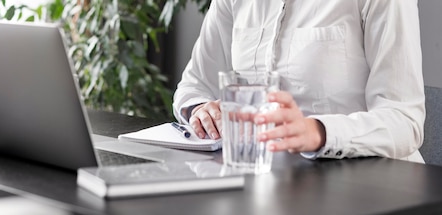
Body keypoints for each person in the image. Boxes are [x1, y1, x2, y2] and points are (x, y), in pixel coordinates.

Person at [173, 0, 425, 162]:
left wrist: (318, 132)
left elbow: (405, 121)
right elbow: (194, 85)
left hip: (375, 188)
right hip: (270, 184)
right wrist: (201, 110)